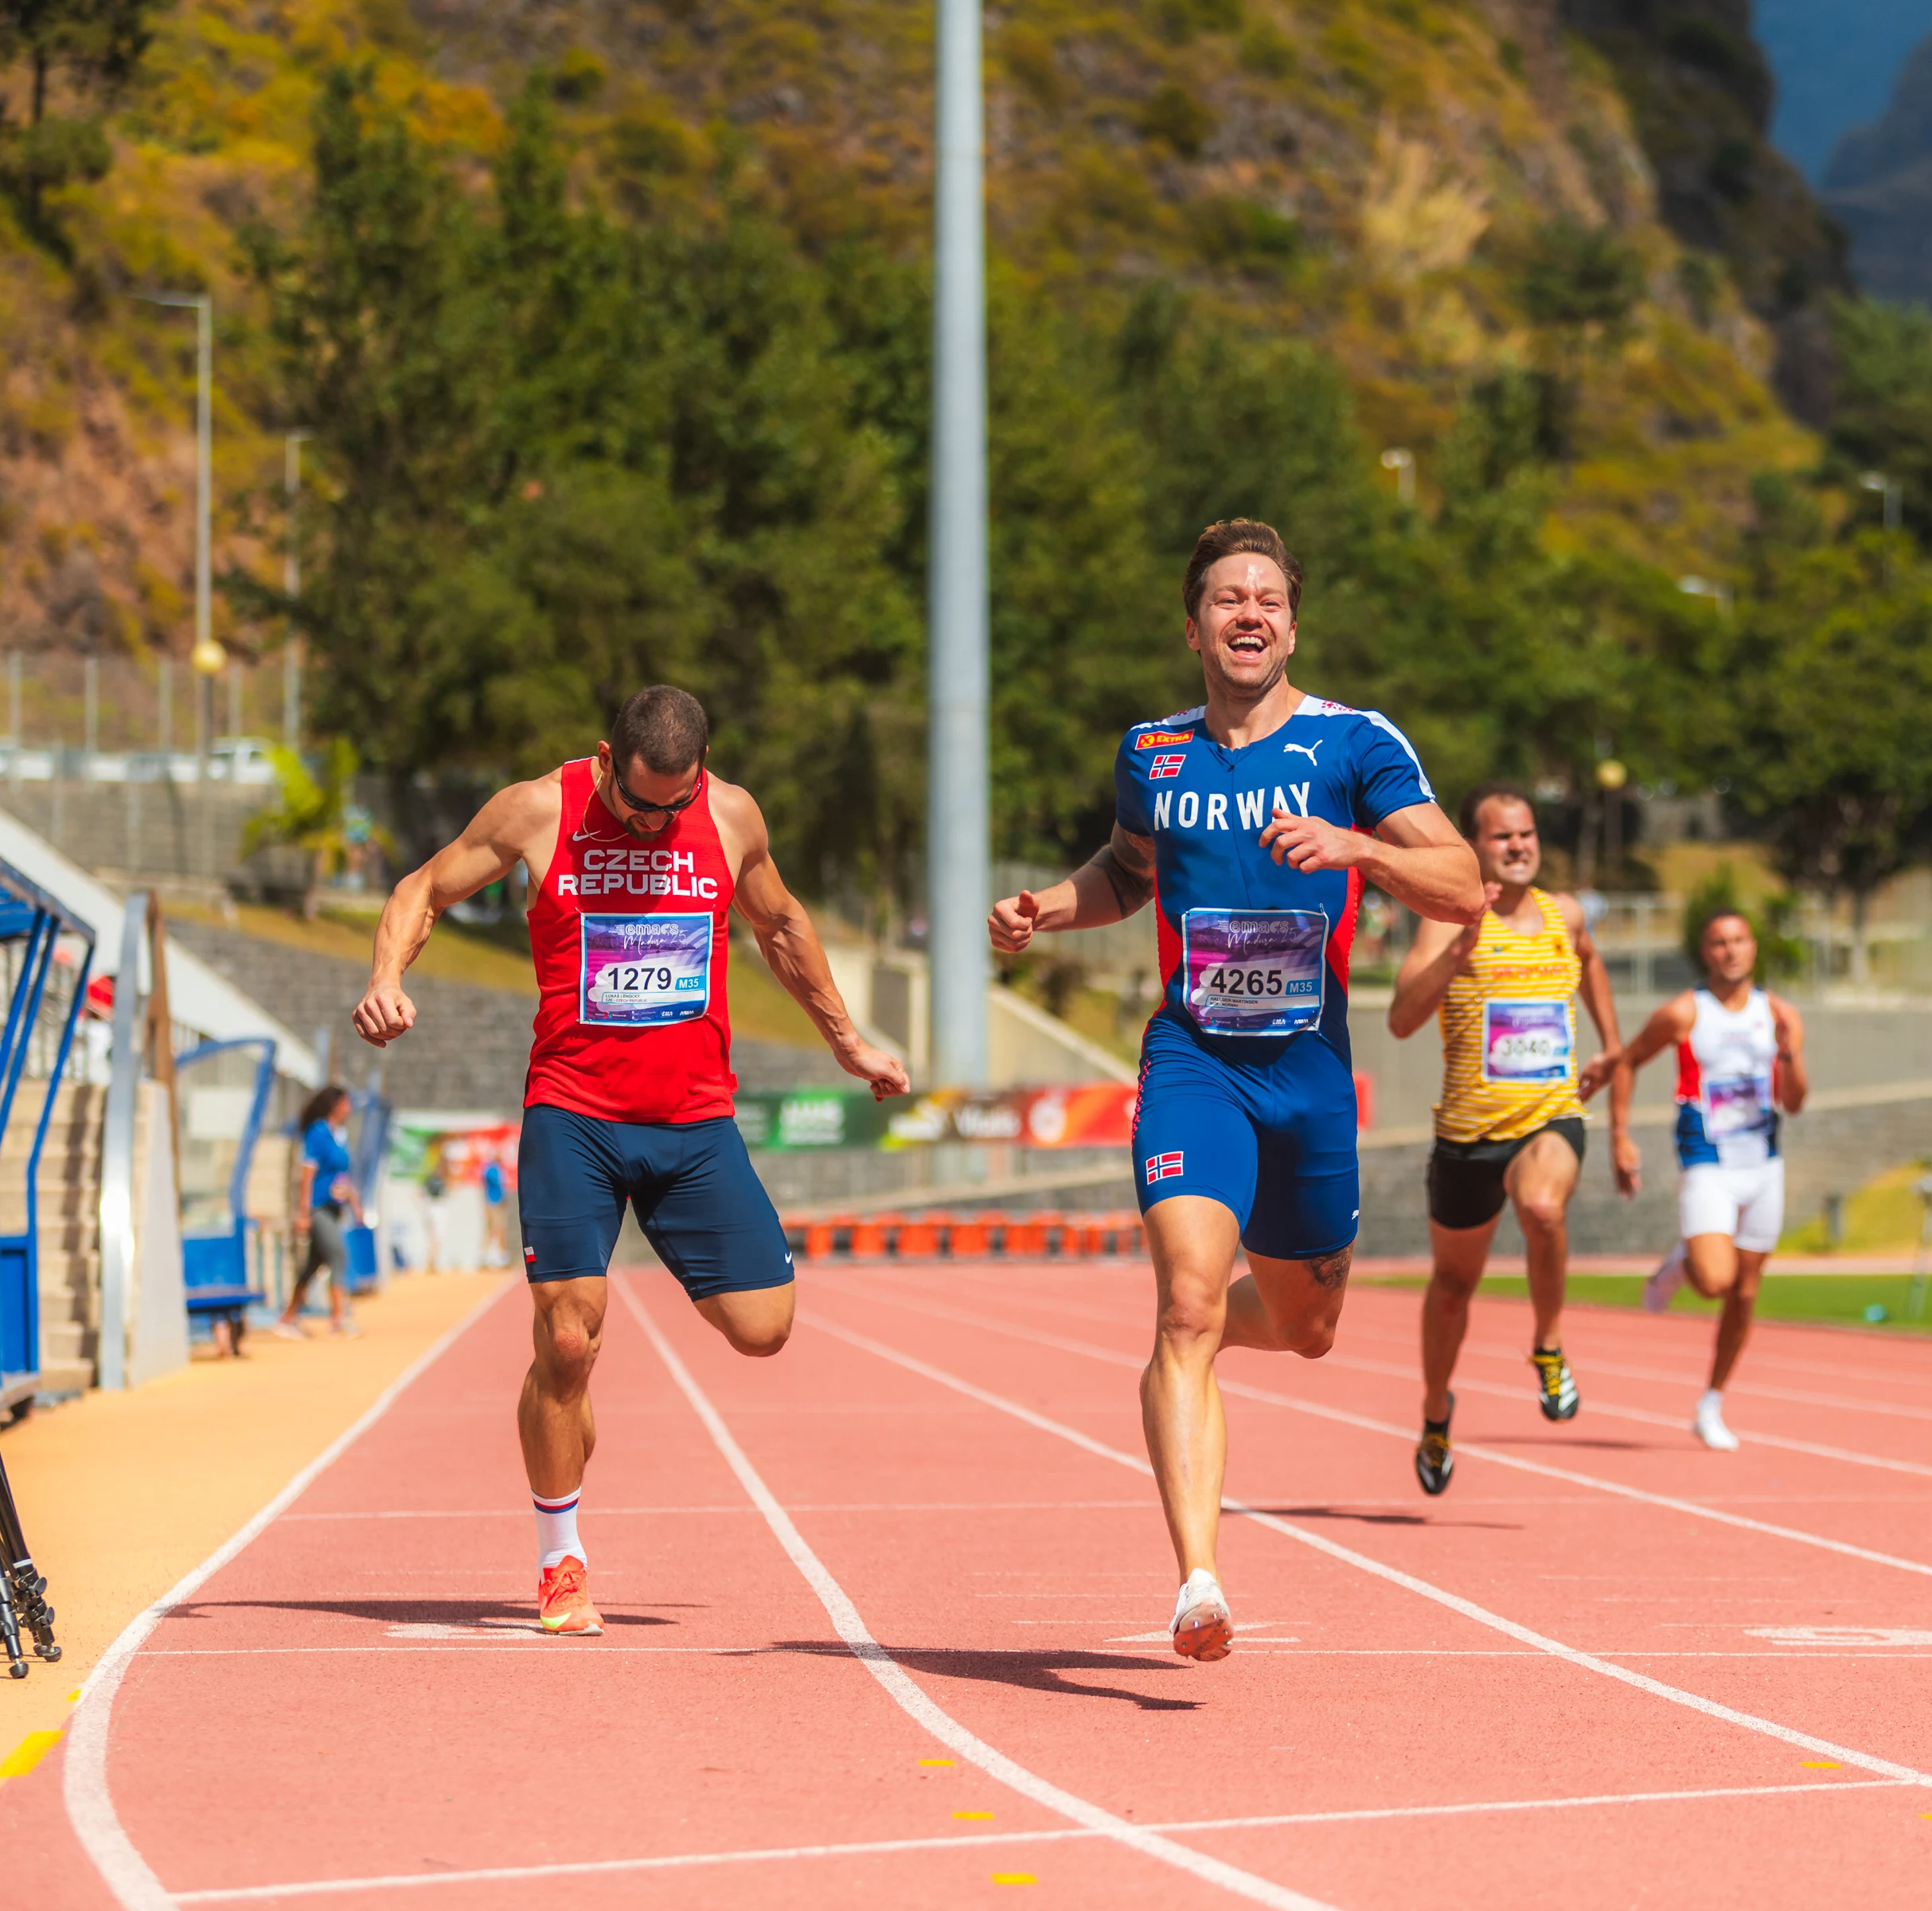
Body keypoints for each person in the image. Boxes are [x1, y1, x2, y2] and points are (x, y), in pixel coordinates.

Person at [989, 519, 1484, 1661]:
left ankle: (1264, 1311)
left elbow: (1460, 884)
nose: (1247, 614)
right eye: (1226, 598)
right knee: (1186, 1307)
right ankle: (1198, 1580)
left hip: (1307, 1079)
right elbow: (1128, 869)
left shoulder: (1354, 746)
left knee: (1309, 1328)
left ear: (1292, 625)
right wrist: (1046, 907)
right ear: (1194, 625)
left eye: (1266, 598)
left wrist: (1358, 851)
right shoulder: (1152, 752)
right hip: (1195, 1063)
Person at [353, 685, 908, 1637]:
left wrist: (846, 1040)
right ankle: (560, 1556)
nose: (657, 823)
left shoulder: (729, 816)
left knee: (764, 1327)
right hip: (574, 1113)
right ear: (605, 760)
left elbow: (780, 926)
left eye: (673, 806)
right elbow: (421, 889)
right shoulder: (540, 809)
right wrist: (386, 979)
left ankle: (561, 1407)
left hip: (692, 1124)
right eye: (640, 804)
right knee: (569, 1339)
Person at [1387, 783, 1633, 1494]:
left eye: (1527, 834)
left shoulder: (1568, 915)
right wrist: (1454, 958)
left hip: (1548, 1115)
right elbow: (1401, 1019)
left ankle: (1548, 1345)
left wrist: (1612, 1045)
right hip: (1467, 1134)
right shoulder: (1448, 918)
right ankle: (1436, 1414)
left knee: (1545, 1209)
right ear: (1472, 848)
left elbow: (1589, 963)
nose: (1520, 846)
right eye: (1503, 837)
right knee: (1454, 1288)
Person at [1583, 906, 1808, 1452]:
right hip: (1707, 1158)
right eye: (1718, 942)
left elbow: (1795, 1102)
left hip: (1764, 1162)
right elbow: (1629, 1061)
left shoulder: (1777, 1012)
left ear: (1753, 947)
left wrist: (1790, 1050)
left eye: (1738, 939)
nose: (1730, 950)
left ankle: (1712, 1403)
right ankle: (1683, 1261)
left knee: (1746, 1293)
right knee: (1713, 1281)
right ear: (1705, 953)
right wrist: (1619, 1137)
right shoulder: (1685, 1013)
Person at [280, 1084, 358, 1340]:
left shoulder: (341, 1135)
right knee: (338, 1255)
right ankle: (338, 1319)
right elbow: (308, 1174)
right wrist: (303, 1213)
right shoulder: (318, 1133)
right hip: (318, 1207)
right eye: (346, 1103)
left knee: (313, 1264)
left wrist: (354, 1201)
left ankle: (288, 1317)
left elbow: (342, 1176)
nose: (350, 1109)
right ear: (335, 1106)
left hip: (335, 1208)